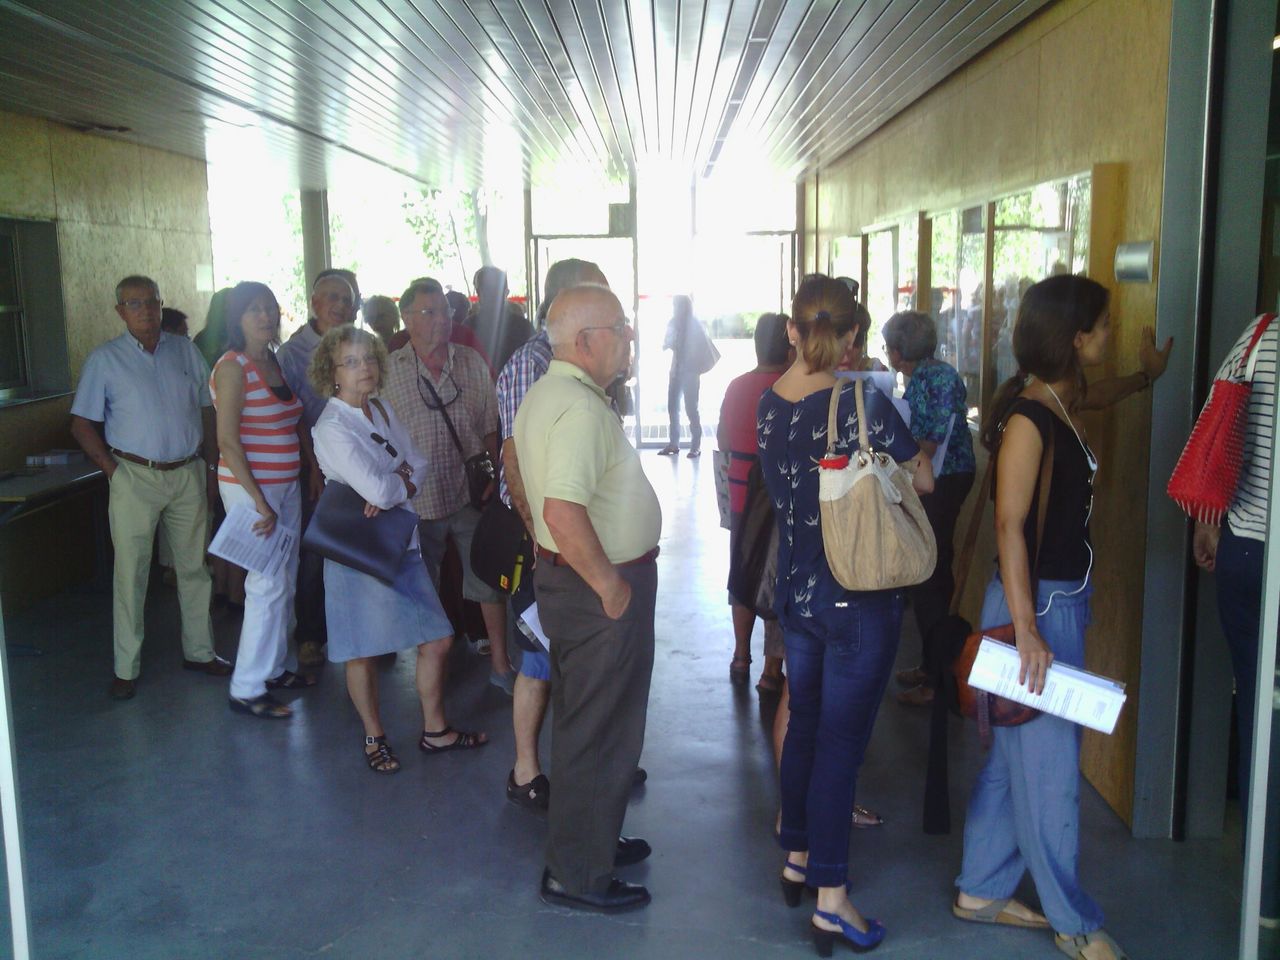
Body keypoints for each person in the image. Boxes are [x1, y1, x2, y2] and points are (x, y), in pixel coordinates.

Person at [953, 274, 1130, 960]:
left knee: (1013, 760)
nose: (1110, 336)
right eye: (1104, 327)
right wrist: (1027, 629)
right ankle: (1072, 921)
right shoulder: (1031, 419)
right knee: (1051, 773)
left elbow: (1099, 396)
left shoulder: (1059, 398)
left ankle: (980, 887)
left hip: (1054, 601)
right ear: (1076, 338)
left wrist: (1146, 377)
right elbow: (1009, 525)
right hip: (1035, 608)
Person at [757, 275, 931, 954]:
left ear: (792, 331)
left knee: (805, 722)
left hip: (797, 593)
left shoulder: (769, 403)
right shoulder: (863, 402)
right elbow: (921, 479)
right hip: (858, 596)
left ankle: (797, 854)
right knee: (841, 746)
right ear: (854, 335)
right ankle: (832, 901)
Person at [515, 283, 660, 913]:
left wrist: (546, 547)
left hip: (573, 580)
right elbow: (562, 510)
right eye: (620, 328)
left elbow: (518, 472)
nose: (629, 337)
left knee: (588, 724)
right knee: (600, 731)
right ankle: (577, 873)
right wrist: (611, 587)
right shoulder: (578, 409)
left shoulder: (549, 394)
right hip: (597, 590)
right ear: (585, 341)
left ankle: (590, 842)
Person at [308, 324, 487, 773]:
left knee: (439, 639)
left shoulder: (382, 408)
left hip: (398, 542)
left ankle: (435, 731)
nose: (364, 368)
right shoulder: (331, 426)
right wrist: (397, 481)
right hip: (358, 551)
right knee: (362, 650)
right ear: (332, 372)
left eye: (369, 358)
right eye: (351, 362)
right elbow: (379, 489)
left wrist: (396, 483)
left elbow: (418, 464)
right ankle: (375, 737)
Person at [69, 275, 229, 700]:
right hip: (134, 476)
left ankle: (200, 652)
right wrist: (112, 471)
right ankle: (126, 668)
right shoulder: (105, 359)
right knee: (131, 574)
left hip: (188, 471)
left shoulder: (185, 350)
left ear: (161, 305)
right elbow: (81, 424)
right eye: (134, 303)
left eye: (151, 302)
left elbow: (207, 408)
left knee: (194, 568)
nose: (145, 310)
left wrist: (211, 466)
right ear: (120, 311)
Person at [498, 257, 608, 809]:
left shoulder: (573, 364)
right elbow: (517, 458)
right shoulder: (533, 365)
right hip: (545, 539)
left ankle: (593, 761)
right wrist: (541, 539)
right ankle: (526, 771)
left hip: (567, 537)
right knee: (540, 656)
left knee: (572, 656)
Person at [381, 280, 512, 691]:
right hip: (417, 501)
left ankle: (501, 664)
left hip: (469, 493)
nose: (441, 320)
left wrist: (496, 478)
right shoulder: (389, 370)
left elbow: (490, 427)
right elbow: (378, 437)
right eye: (429, 312)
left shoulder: (471, 362)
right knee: (426, 587)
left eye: (445, 311)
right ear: (407, 318)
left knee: (487, 579)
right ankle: (433, 674)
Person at [1193, 310, 1280, 925]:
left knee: (1260, 713)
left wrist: (1208, 522)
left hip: (1245, 550)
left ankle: (1264, 890)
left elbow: (1217, 427)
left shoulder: (1260, 334)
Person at [210, 281, 314, 719]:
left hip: (283, 485)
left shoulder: (272, 360)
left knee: (284, 579)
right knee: (265, 583)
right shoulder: (232, 367)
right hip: (250, 489)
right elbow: (227, 442)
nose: (264, 316)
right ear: (236, 318)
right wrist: (259, 501)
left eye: (269, 307)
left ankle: (274, 669)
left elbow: (289, 422)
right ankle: (247, 687)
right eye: (253, 309)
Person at [881, 310, 977, 707]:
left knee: (927, 574)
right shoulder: (942, 373)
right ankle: (932, 664)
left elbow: (927, 445)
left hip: (938, 480)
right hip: (953, 475)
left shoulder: (924, 381)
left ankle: (938, 680)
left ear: (897, 352)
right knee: (934, 571)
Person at [278, 270, 357, 667]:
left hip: (357, 463)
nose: (340, 305)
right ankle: (310, 634)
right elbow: (293, 417)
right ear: (314, 303)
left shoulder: (359, 344)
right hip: (316, 465)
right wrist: (312, 467)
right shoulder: (291, 354)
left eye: (346, 298)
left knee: (361, 547)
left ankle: (366, 632)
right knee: (315, 551)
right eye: (332, 297)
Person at [719, 312, 790, 693]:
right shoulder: (791, 388)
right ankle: (771, 671)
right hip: (779, 497)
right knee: (778, 577)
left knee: (743, 571)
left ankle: (740, 655)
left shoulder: (736, 386)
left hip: (741, 494)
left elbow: (724, 439)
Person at [659, 294, 717, 457]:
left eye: (677, 305)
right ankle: (674, 443)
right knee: (673, 407)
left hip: (690, 372)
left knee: (691, 408)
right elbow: (667, 343)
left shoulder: (694, 324)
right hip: (676, 371)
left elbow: (698, 347)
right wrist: (670, 343)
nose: (675, 309)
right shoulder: (673, 322)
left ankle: (695, 446)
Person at [469, 265, 533, 373]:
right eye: (487, 290)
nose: (491, 296)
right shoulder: (524, 327)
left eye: (494, 291)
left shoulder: (468, 328)